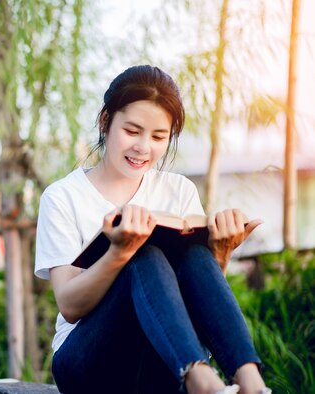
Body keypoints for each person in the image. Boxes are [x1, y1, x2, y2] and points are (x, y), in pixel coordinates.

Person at [34, 65, 270, 394]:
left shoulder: (179, 191)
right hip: (88, 367)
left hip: (162, 360)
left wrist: (222, 252)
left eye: (159, 137)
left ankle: (251, 384)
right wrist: (119, 253)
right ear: (106, 122)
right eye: (132, 131)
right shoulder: (62, 197)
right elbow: (70, 306)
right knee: (143, 253)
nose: (144, 147)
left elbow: (194, 297)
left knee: (195, 254)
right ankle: (199, 380)